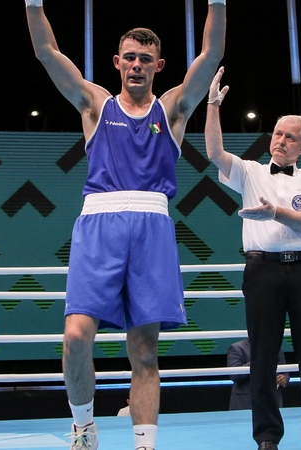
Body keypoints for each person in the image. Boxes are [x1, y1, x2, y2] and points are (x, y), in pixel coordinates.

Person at [24, 1, 226, 449]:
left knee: (145, 351)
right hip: (98, 223)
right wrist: (33, 5)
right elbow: (45, 51)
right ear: (117, 62)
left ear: (159, 66)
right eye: (130, 57)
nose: (137, 65)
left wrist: (218, 4)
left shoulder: (172, 109)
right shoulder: (95, 104)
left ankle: (144, 445)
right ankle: (83, 427)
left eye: (145, 59)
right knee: (76, 337)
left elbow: (210, 54)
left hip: (152, 224)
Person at [205, 67, 301, 450]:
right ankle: (267, 438)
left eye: (291, 137)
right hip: (262, 270)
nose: (282, 141)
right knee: (263, 358)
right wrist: (213, 106)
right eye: (278, 133)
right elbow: (214, 153)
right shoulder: (251, 171)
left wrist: (275, 213)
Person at [227, 338, 289, 410]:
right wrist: (258, 360)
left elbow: (285, 371)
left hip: (272, 400)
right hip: (246, 401)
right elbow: (234, 375)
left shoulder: (276, 348)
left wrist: (284, 378)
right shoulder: (236, 348)